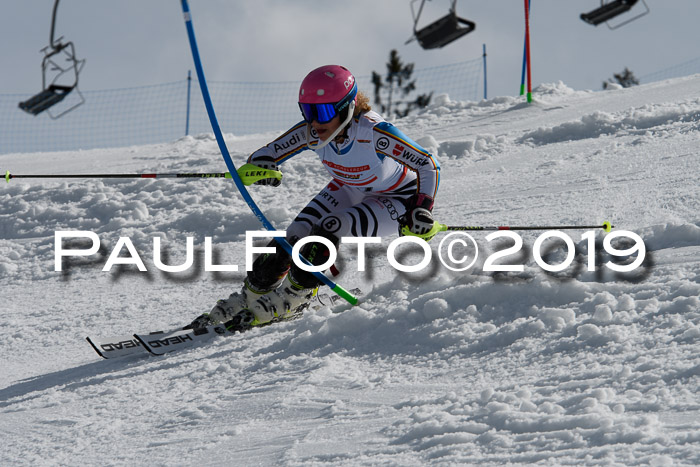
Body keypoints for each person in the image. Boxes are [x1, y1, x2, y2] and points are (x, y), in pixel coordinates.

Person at [188, 65, 440, 331]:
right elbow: (267, 154)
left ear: (347, 108)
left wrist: (421, 208)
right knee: (293, 236)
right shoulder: (311, 132)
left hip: (395, 198)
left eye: (323, 112)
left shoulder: (374, 133)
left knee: (329, 227)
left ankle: (295, 296)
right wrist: (261, 168)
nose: (315, 122)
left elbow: (427, 163)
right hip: (349, 188)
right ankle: (252, 297)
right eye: (308, 111)